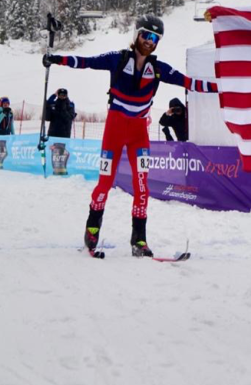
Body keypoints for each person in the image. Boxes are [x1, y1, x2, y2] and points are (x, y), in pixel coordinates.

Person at [44, 15, 218, 257]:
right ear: (136, 35)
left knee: (142, 186)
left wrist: (221, 87)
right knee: (105, 183)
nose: (150, 41)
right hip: (114, 132)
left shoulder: (158, 69)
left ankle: (139, 240)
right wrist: (56, 59)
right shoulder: (118, 59)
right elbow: (85, 62)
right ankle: (92, 231)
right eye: (146, 35)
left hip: (138, 134)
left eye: (155, 38)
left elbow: (189, 83)